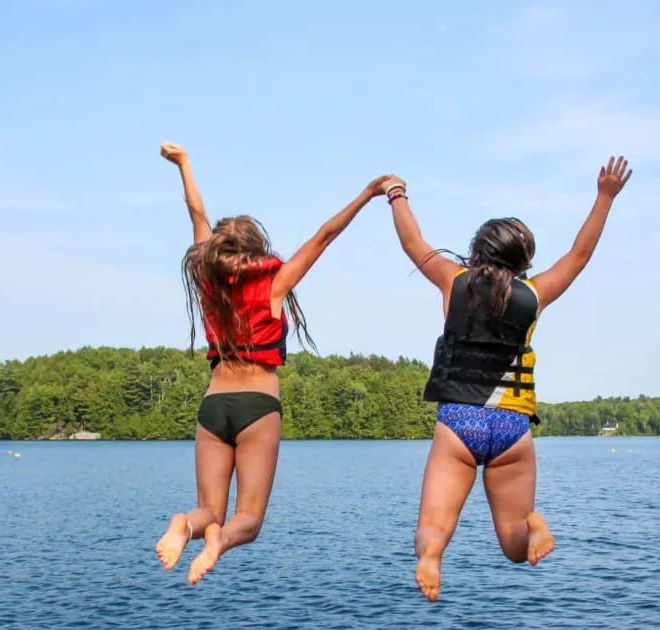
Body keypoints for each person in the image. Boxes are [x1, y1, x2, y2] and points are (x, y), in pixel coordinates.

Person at [380, 156, 632, 601]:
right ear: (524, 259)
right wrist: (605, 197)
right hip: (512, 427)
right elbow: (580, 255)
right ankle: (533, 524)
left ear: (477, 252)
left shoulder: (453, 281)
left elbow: (412, 242)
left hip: (459, 421)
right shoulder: (534, 295)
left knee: (433, 529)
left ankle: (431, 557)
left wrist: (396, 194)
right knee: (515, 546)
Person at [155, 141, 389, 584]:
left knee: (209, 510)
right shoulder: (274, 284)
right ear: (257, 247)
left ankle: (185, 526)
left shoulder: (208, 281)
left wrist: (184, 165)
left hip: (213, 405)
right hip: (257, 406)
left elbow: (196, 216)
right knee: (248, 519)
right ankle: (218, 544)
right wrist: (367, 194)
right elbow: (324, 236)